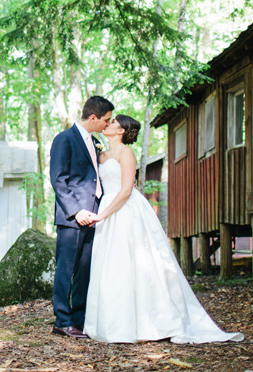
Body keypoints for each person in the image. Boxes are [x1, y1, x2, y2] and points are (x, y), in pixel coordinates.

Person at [83, 114, 244, 344]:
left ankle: (150, 323)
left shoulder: (125, 153)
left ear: (120, 131)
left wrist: (102, 215)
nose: (107, 125)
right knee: (111, 266)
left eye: (112, 123)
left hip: (125, 210)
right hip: (106, 208)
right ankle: (112, 322)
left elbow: (127, 190)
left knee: (137, 265)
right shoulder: (101, 154)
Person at [49, 96, 114, 339]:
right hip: (72, 217)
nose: (107, 125)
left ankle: (78, 319)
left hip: (95, 215)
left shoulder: (95, 142)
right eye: (106, 120)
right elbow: (58, 179)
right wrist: (77, 211)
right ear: (94, 117)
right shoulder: (64, 139)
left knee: (85, 270)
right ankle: (62, 321)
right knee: (66, 269)